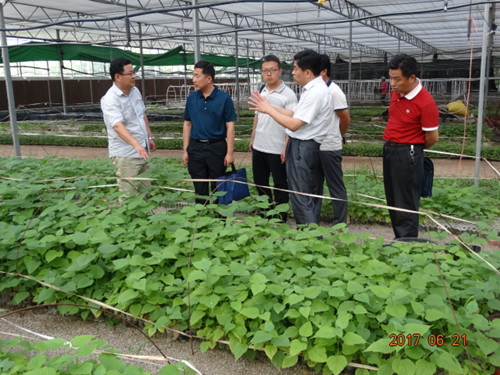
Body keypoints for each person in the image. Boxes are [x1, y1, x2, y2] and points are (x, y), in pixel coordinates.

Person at [249, 49, 333, 225]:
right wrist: (267, 105)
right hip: (303, 145)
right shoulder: (312, 90)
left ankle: (308, 236)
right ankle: (309, 232)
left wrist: (269, 110)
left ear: (308, 72)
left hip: (305, 146)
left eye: (295, 68)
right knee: (306, 192)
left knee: (301, 194)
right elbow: (294, 113)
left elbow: (294, 123)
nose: (293, 72)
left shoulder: (315, 93)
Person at [383, 54, 439, 239]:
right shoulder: (397, 93)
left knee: (405, 201)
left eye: (397, 79)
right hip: (391, 150)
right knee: (392, 198)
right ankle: (400, 239)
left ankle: (408, 243)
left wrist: (412, 147)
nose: (392, 83)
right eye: (390, 77)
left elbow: (432, 137)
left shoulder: (425, 102)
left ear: (412, 77)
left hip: (408, 153)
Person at [249, 55, 297, 221]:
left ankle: (281, 215)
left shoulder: (289, 94)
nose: (269, 74)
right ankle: (266, 211)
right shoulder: (261, 91)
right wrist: (252, 138)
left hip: (277, 148)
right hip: (260, 146)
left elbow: (292, 121)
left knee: (280, 184)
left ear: (279, 71)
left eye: (272, 70)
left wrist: (286, 146)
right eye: (265, 71)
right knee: (260, 181)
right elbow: (257, 116)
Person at [182, 60, 236, 204]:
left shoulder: (224, 99)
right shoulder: (192, 98)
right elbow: (187, 124)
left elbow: (230, 126)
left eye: (197, 76)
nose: (193, 80)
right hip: (196, 148)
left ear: (209, 78)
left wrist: (229, 153)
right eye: (193, 76)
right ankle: (201, 221)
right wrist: (185, 150)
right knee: (200, 189)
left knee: (219, 188)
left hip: (217, 148)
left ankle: (220, 221)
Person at [101, 57, 155, 195]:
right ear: (118, 76)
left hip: (142, 151)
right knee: (129, 194)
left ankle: (145, 216)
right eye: (130, 73)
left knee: (146, 191)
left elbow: (141, 114)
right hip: (126, 154)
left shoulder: (134, 91)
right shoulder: (110, 99)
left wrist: (149, 137)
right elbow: (117, 126)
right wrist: (136, 144)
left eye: (134, 73)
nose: (134, 76)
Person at [319, 54, 350, 225]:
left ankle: (340, 221)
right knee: (314, 184)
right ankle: (312, 219)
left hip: (330, 146)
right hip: (315, 146)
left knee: (335, 185)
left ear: (323, 71)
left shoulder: (334, 92)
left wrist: (339, 136)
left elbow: (345, 118)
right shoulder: (313, 91)